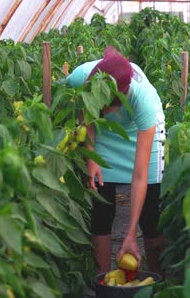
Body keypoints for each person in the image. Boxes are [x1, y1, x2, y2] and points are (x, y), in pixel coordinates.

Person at [65, 46, 166, 274]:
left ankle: (159, 279)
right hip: (103, 136)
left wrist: (131, 234)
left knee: (150, 211)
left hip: (140, 133)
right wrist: (91, 157)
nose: (103, 110)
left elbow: (139, 175)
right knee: (101, 204)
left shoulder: (144, 99)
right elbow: (84, 113)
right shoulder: (81, 77)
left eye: (107, 107)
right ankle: (101, 281)